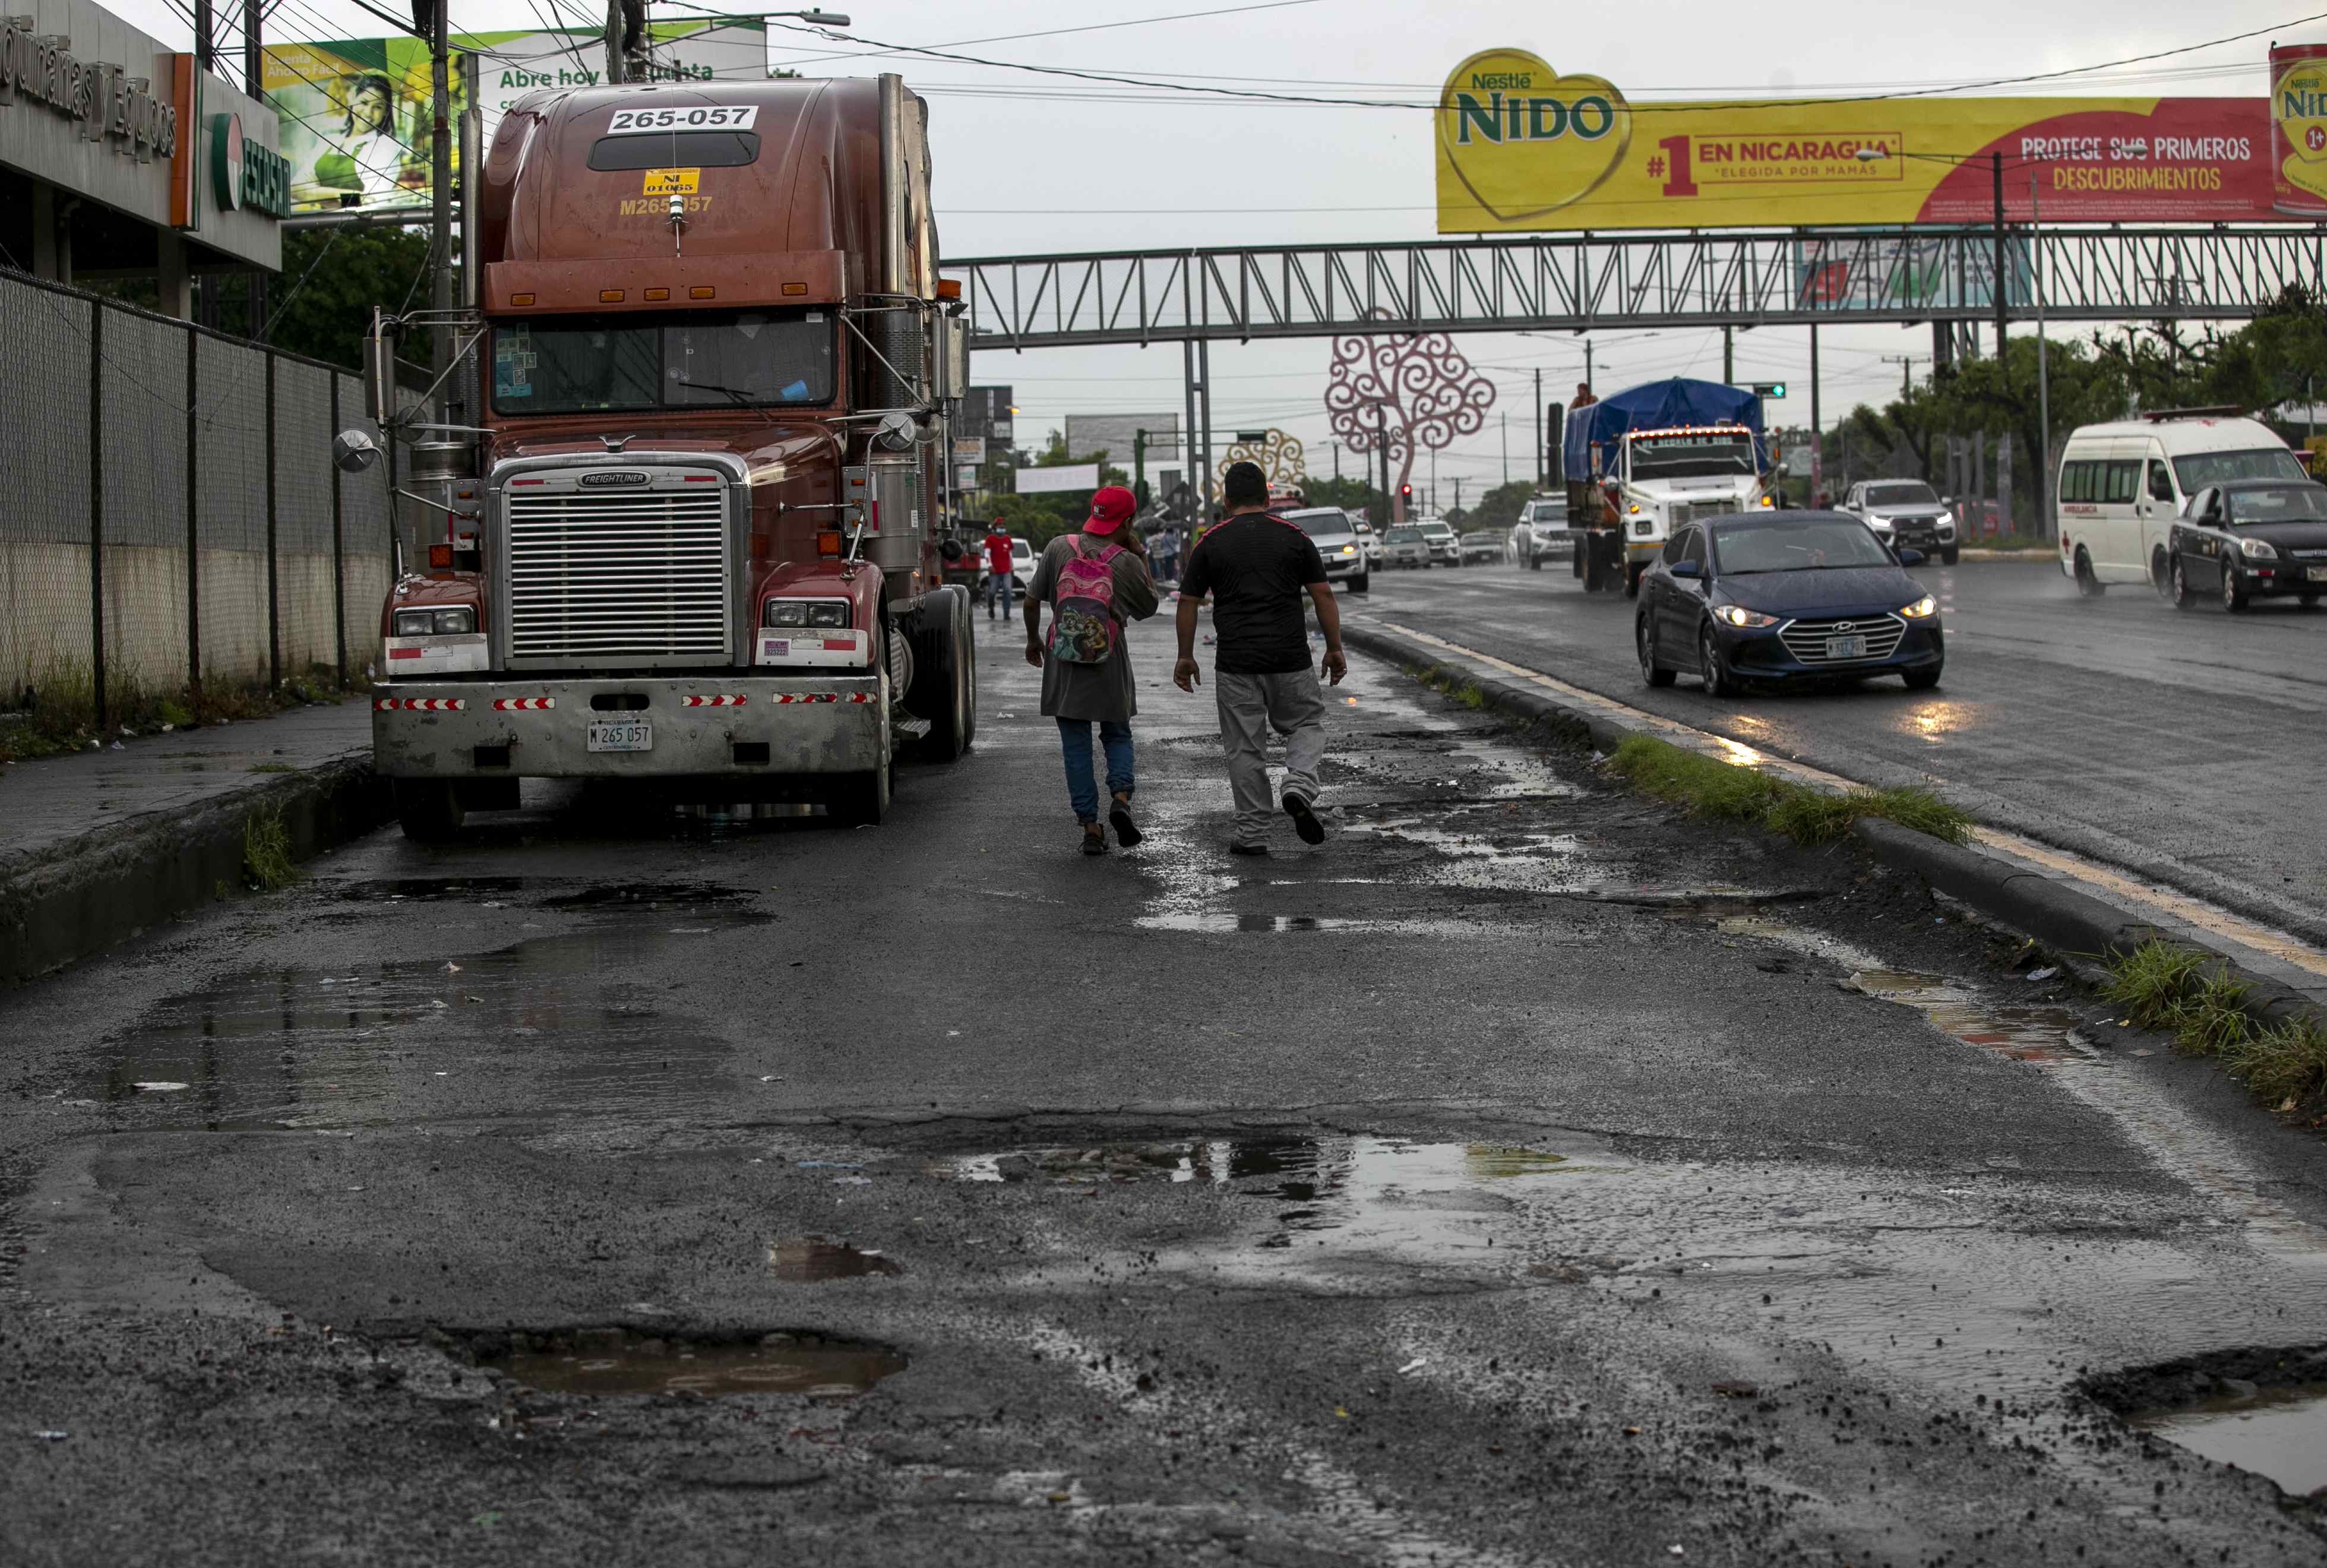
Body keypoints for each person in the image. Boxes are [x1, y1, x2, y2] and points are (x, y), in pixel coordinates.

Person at [1172, 461, 1345, 856]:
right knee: (1306, 723)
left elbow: (1188, 602)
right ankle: (1299, 785)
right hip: (1291, 658)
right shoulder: (1295, 537)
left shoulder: (1211, 542)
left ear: (1227, 501)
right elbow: (1323, 595)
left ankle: (1253, 835)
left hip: (1237, 663)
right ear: (1268, 498)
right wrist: (1334, 648)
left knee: (1244, 749)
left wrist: (1186, 656)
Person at [1025, 487, 1159, 855]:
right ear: (1128, 522)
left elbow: (1031, 601)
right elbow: (1149, 606)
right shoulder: (1127, 561)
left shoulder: (1058, 547)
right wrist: (1140, 554)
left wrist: (1033, 640)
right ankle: (1120, 798)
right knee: (1117, 734)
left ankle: (1091, 827)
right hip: (1108, 659)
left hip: (1064, 660)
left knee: (1076, 745)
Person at [982, 518, 1015, 619]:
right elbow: (987, 554)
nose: (1002, 526)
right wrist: (990, 565)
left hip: (1006, 571)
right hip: (995, 571)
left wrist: (1012, 567)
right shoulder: (990, 539)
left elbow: (1010, 554)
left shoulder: (1007, 539)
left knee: (1008, 590)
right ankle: (991, 608)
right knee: (992, 592)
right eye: (999, 525)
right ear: (995, 527)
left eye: (1003, 525)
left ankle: (1006, 613)